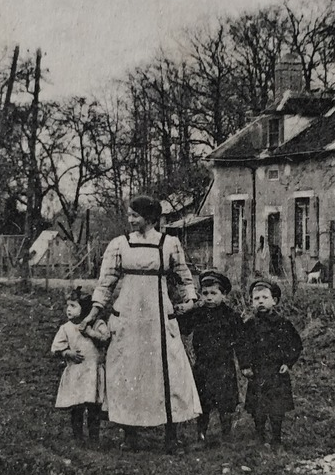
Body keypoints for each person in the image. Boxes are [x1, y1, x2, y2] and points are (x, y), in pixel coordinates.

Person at [90, 194, 201, 453]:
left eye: (135, 216)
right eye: (129, 215)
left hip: (159, 317)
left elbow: (185, 277)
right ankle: (130, 434)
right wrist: (94, 311)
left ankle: (170, 436)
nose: (130, 220)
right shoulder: (120, 245)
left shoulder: (169, 244)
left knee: (167, 371)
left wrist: (191, 299)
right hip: (128, 317)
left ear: (149, 218)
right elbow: (105, 282)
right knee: (129, 371)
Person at [178, 269, 244, 446]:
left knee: (225, 403)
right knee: (203, 403)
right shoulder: (198, 313)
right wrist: (181, 311)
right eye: (205, 293)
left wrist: (245, 364)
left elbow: (240, 342)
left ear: (224, 295)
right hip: (203, 365)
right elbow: (184, 328)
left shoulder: (231, 316)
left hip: (224, 365)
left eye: (214, 293)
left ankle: (226, 436)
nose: (208, 297)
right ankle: (201, 436)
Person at [238, 277, 303, 449]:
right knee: (258, 407)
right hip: (257, 373)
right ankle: (259, 435)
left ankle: (276, 438)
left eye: (264, 298)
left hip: (276, 373)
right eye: (256, 299)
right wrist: (245, 366)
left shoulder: (282, 324)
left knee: (276, 408)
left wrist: (288, 363)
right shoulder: (250, 325)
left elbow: (295, 344)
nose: (260, 302)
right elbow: (242, 346)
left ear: (274, 300)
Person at [50, 287, 109, 444]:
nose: (68, 310)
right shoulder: (67, 328)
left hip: (93, 374)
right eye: (68, 305)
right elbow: (56, 347)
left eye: (73, 306)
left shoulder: (97, 324)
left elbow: (105, 339)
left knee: (94, 408)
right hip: (77, 374)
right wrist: (66, 353)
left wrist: (89, 332)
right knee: (77, 407)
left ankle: (94, 438)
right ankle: (78, 437)